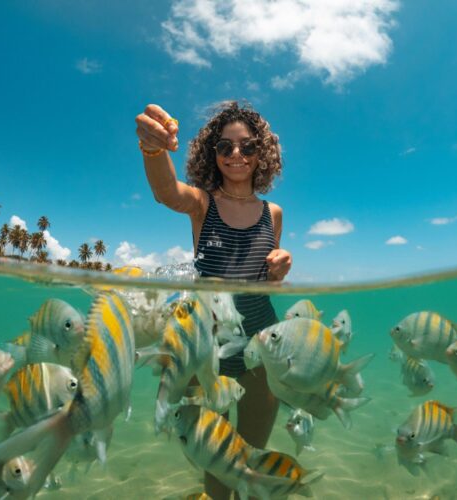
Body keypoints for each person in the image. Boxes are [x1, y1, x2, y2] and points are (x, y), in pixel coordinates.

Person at [135, 101, 292, 499]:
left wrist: (279, 268)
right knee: (217, 457)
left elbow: (267, 283)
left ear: (263, 154)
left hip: (261, 342)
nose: (236, 154)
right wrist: (154, 149)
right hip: (209, 347)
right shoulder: (202, 204)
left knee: (251, 455)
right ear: (213, 154)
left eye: (247, 146)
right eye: (225, 147)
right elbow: (166, 192)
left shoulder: (272, 213)